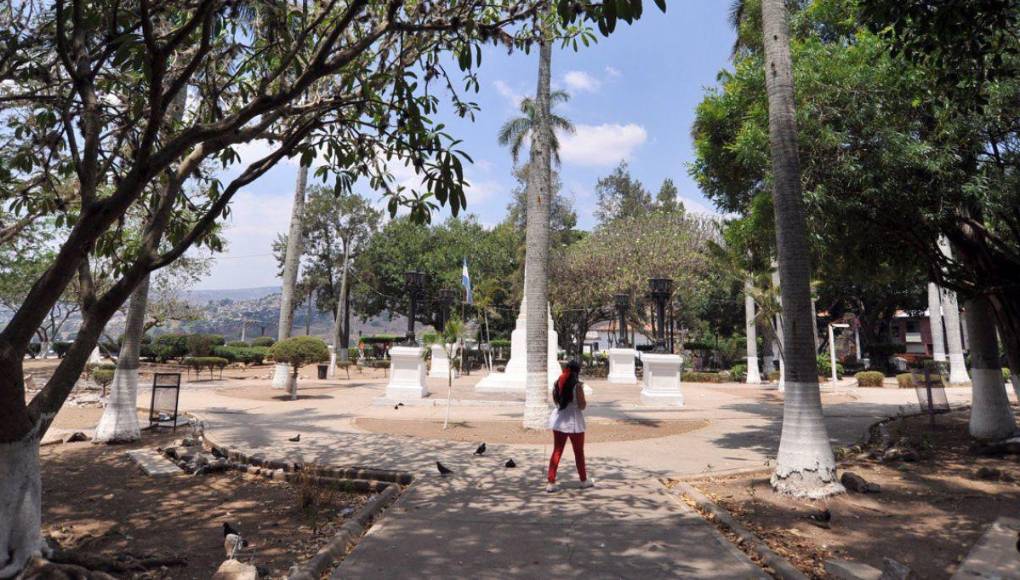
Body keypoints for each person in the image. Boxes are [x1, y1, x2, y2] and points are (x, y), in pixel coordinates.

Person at [547, 360, 591, 492]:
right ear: (577, 371)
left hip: (559, 420)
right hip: (574, 422)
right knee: (579, 452)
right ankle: (583, 480)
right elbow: (582, 405)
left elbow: (556, 401)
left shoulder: (558, 382)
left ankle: (551, 482)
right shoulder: (577, 386)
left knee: (557, 450)